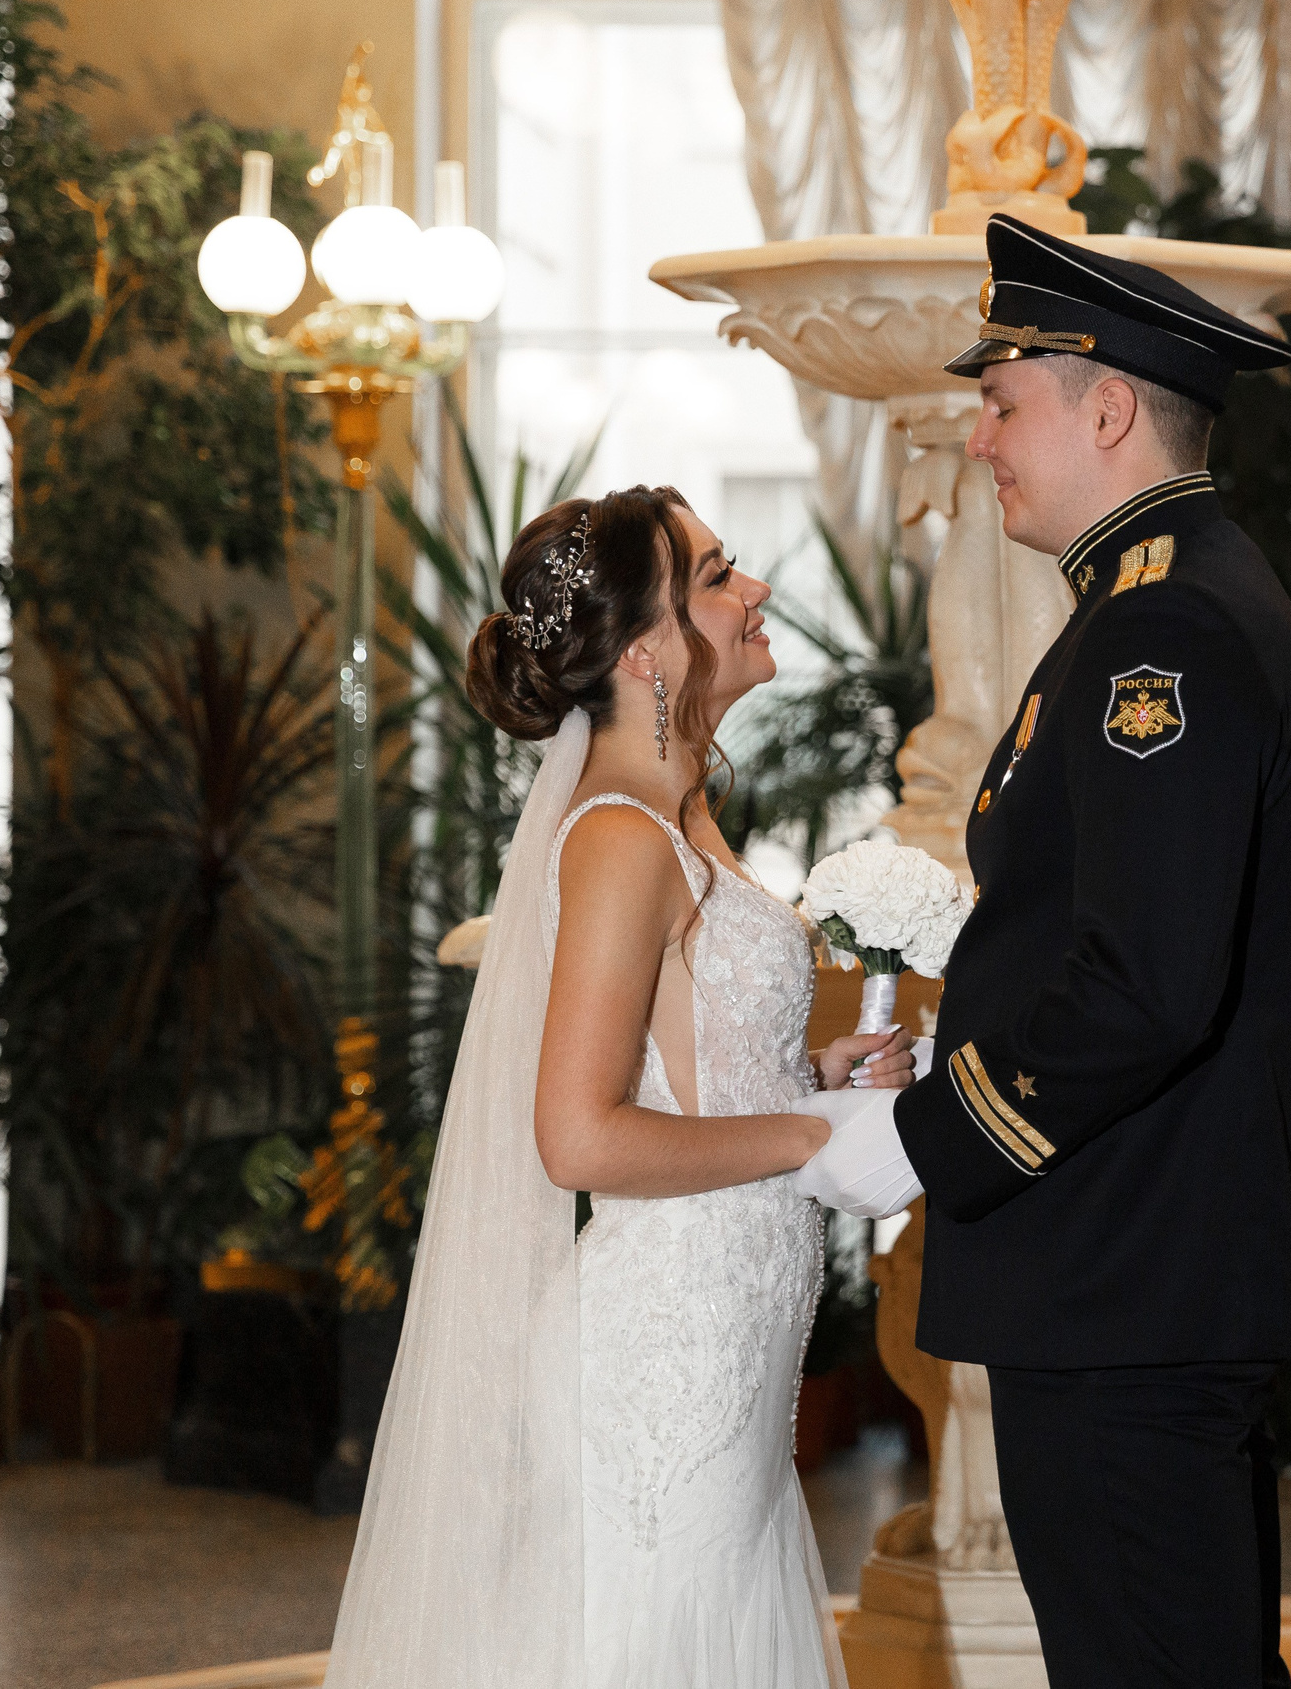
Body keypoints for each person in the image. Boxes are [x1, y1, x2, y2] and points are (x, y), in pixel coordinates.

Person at [804, 215, 1291, 1687]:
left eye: (1001, 401)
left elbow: (1143, 983)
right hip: (1142, 1272)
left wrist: (928, 1136)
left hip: (1126, 1278)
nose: (979, 439)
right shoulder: (1156, 599)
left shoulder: (1163, 630)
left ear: (1107, 411)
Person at [322, 483, 914, 1689]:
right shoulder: (618, 838)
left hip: (724, 1345)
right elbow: (581, 1139)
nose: (755, 590)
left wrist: (811, 1076)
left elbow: (682, 1071)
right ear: (647, 651)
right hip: (661, 1365)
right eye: (717, 577)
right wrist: (809, 1134)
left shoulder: (678, 815)